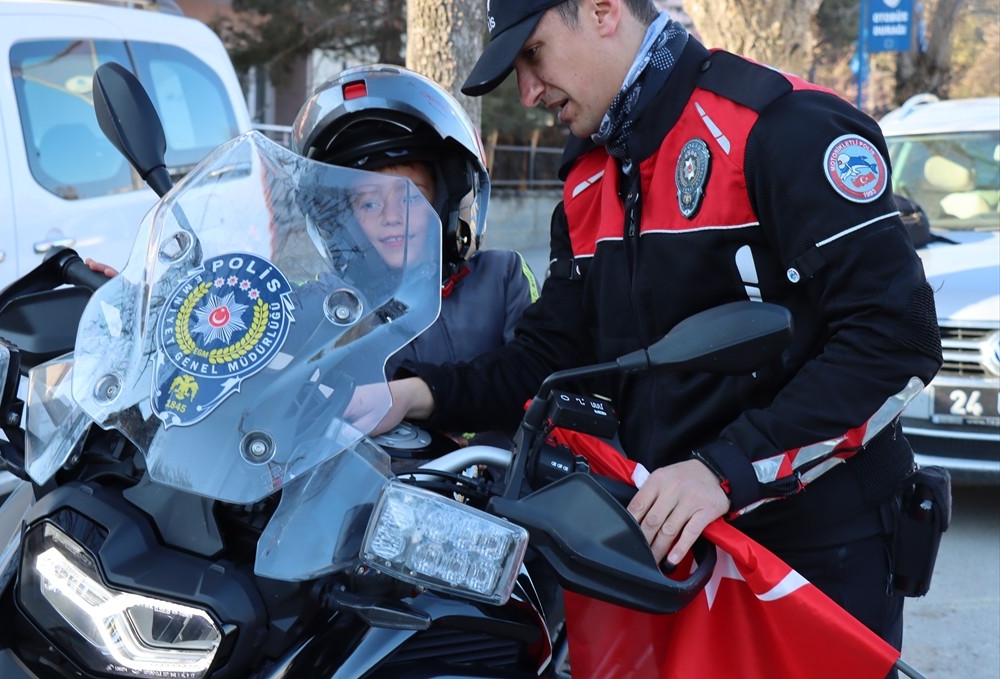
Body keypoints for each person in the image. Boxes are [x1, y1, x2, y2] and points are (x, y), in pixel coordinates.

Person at [374, 0, 943, 653]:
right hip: (666, 543)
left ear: (603, 10)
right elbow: (549, 357)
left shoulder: (778, 126)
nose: (528, 93)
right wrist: (411, 394)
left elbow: (895, 338)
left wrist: (723, 470)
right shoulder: (589, 175)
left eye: (534, 54)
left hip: (813, 551)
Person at [291, 64, 540, 379]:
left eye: (410, 197)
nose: (391, 217)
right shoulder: (333, 305)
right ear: (345, 221)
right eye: (369, 202)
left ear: (446, 202)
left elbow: (537, 379)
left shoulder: (503, 279)